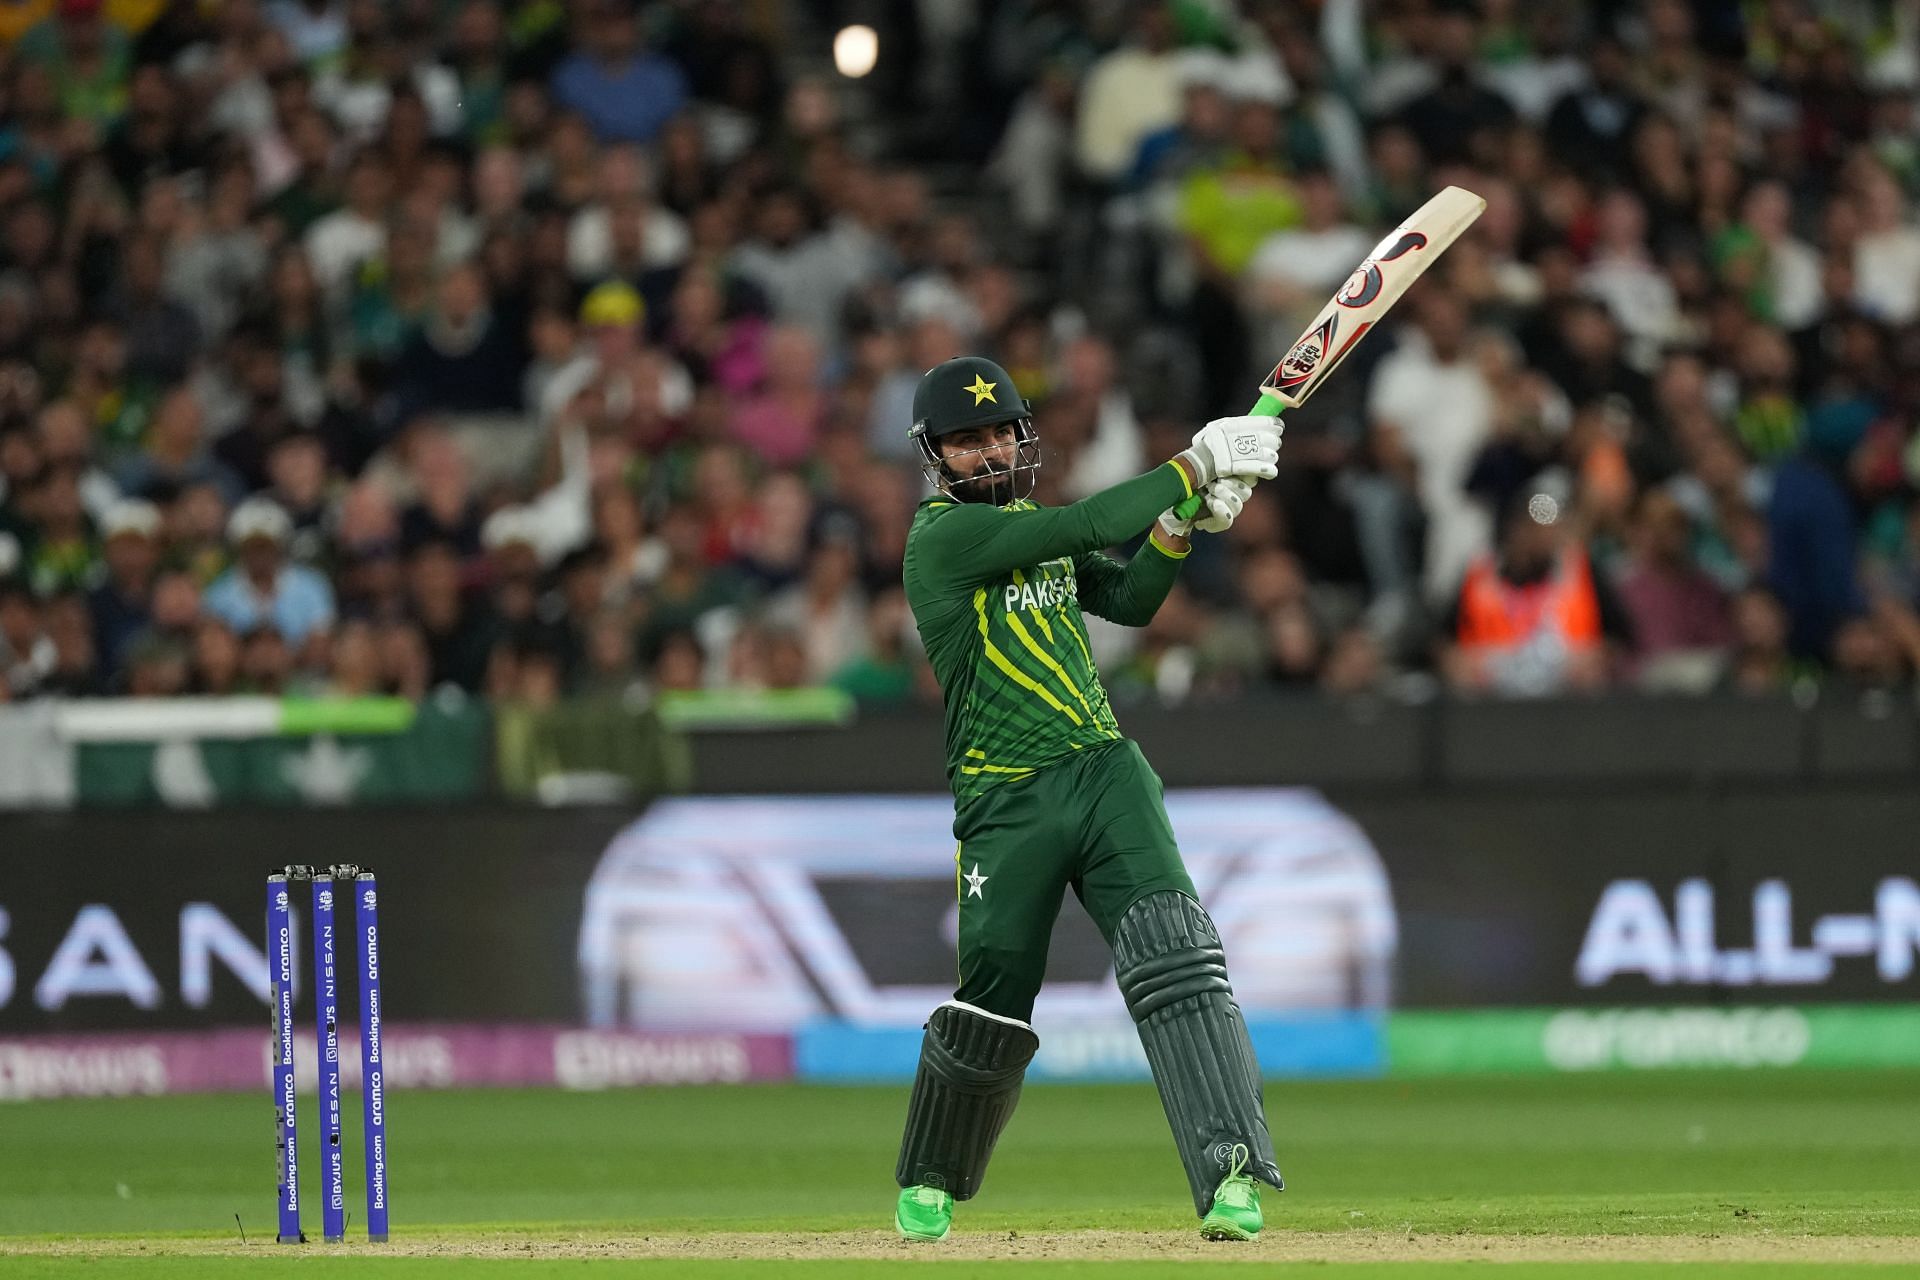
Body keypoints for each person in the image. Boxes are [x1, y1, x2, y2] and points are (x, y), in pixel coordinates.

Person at [889, 356, 1283, 1243]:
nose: (989, 450)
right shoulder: (940, 540)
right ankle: (933, 1177)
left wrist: (1182, 521)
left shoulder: (1036, 527)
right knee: (994, 997)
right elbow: (1095, 518)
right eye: (966, 440)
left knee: (1177, 959)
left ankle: (1230, 1177)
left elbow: (1135, 599)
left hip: (1104, 772)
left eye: (1000, 432)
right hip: (1005, 798)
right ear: (935, 457)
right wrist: (1194, 466)